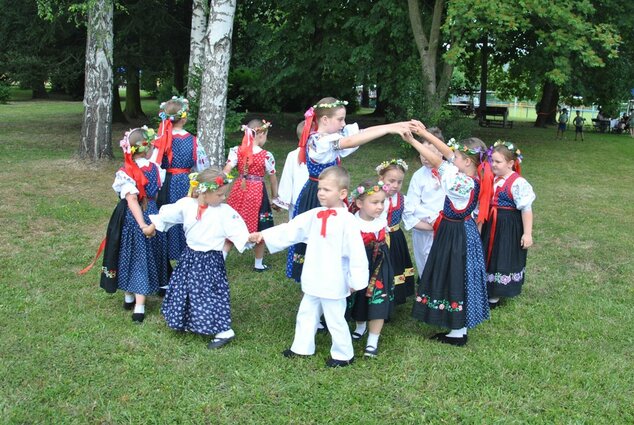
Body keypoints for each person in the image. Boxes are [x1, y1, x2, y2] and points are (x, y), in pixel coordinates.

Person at [250, 166, 369, 367]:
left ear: (342, 193)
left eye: (327, 190)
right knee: (306, 312)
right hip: (314, 273)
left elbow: (356, 253)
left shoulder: (348, 221)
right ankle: (302, 347)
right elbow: (291, 229)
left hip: (334, 278)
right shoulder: (314, 214)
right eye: (320, 188)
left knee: (335, 318)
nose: (321, 193)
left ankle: (343, 354)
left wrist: (356, 280)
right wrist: (264, 235)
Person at [286, 96, 412, 283]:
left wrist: (397, 125)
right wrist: (388, 128)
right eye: (340, 119)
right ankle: (314, 279)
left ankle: (332, 276)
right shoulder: (317, 141)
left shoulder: (330, 136)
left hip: (335, 194)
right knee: (317, 238)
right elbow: (350, 141)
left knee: (336, 237)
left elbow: (361, 132)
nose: (343, 124)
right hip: (318, 196)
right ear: (325, 120)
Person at [404, 123, 493, 346]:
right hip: (462, 230)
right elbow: (447, 154)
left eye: (458, 157)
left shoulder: (460, 182)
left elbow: (437, 161)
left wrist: (413, 141)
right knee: (458, 275)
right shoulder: (470, 176)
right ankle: (457, 328)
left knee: (454, 275)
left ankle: (457, 331)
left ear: (468, 162)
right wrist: (424, 133)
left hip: (456, 234)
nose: (453, 158)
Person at [144, 168, 251, 349]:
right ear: (203, 192)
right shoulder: (187, 205)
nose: (223, 198)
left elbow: (238, 230)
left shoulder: (224, 211)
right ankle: (188, 320)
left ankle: (224, 330)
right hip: (190, 257)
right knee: (184, 288)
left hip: (210, 261)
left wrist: (251, 238)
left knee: (208, 293)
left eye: (224, 194)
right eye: (219, 195)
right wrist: (151, 227)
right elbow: (168, 215)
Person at [80, 127, 170, 323]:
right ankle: (134, 300)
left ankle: (135, 302)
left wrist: (141, 224)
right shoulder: (155, 168)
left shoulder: (125, 171)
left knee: (133, 255)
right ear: (147, 149)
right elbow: (146, 196)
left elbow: (131, 200)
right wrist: (147, 224)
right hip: (151, 216)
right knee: (144, 256)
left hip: (133, 219)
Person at [152, 96, 209, 267]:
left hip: (165, 183)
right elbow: (202, 166)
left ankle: (164, 260)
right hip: (186, 184)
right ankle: (186, 257)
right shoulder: (193, 140)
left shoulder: (160, 139)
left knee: (166, 215)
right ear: (184, 118)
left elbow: (153, 165)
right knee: (186, 216)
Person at [481, 141, 535, 309]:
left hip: (507, 226)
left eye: (498, 162)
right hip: (492, 223)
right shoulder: (492, 179)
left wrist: (527, 234)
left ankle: (495, 294)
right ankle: (486, 287)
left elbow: (526, 209)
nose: (493, 164)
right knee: (489, 254)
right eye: (492, 161)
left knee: (502, 255)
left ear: (511, 163)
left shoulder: (518, 183)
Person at [347, 178, 394, 358]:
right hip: (359, 264)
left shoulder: (381, 222)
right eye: (374, 202)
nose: (380, 206)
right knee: (359, 296)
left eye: (382, 202)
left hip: (380, 265)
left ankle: (372, 341)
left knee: (378, 300)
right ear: (359, 203)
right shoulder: (351, 222)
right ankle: (360, 325)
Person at [223, 119, 278, 271]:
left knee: (233, 224)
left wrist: (219, 186)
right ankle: (258, 264)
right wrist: (275, 198)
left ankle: (221, 260)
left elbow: (226, 171)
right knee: (261, 227)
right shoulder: (267, 155)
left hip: (239, 191)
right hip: (257, 193)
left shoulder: (236, 151)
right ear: (261, 134)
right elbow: (273, 179)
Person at [402, 127, 446, 283]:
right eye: (422, 153)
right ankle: (426, 288)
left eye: (431, 153)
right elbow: (410, 207)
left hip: (447, 228)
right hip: (425, 228)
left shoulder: (451, 173)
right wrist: (431, 224)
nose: (426, 158)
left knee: (444, 260)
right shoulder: (418, 176)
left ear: (442, 152)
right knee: (425, 258)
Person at [375, 158, 415, 305]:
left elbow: (413, 216)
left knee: (395, 264)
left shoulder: (402, 199)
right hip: (377, 239)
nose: (395, 185)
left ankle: (394, 296)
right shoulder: (374, 197)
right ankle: (377, 296)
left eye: (399, 182)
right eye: (391, 181)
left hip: (395, 237)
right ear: (381, 178)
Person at [272, 121, 310, 220]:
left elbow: (286, 179)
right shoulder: (293, 155)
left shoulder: (320, 155)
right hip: (298, 200)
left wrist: (281, 200)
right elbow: (287, 178)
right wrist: (282, 200)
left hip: (304, 198)